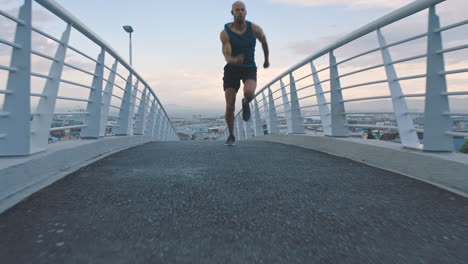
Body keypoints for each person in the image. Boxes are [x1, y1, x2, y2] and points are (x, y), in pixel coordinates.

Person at [220, 1, 270, 146]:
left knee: (249, 92)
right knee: (230, 105)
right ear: (232, 13)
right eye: (237, 10)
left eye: (242, 10)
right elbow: (226, 55)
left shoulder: (254, 29)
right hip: (231, 69)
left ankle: (245, 102)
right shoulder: (225, 33)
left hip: (249, 67)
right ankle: (231, 135)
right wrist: (234, 60)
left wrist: (266, 59)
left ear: (246, 12)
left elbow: (264, 42)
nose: (240, 12)